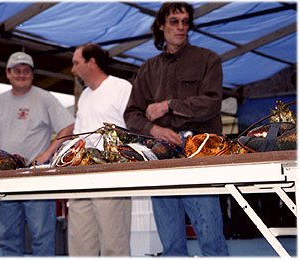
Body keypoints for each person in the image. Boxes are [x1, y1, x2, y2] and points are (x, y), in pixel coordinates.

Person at [124, 2, 229, 256]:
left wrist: (168, 105)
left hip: (198, 155)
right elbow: (131, 114)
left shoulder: (208, 60)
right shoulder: (148, 69)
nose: (181, 27)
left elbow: (212, 104)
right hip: (160, 155)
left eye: (185, 22)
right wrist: (153, 129)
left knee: (211, 239)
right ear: (161, 26)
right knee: (170, 244)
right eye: (174, 22)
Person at [0, 51, 74, 256]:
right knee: (8, 238)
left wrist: (47, 154)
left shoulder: (44, 97)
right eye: (17, 70)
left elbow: (68, 126)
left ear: (33, 74)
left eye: (26, 71)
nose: (21, 74)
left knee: (42, 237)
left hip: (37, 177)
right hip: (7, 179)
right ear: (8, 73)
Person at [68, 43, 132, 256]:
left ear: (92, 63)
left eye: (76, 63)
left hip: (111, 177)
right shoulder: (85, 96)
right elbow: (77, 136)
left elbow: (134, 131)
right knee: (80, 244)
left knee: (114, 244)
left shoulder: (121, 88)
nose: (72, 69)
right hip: (80, 177)